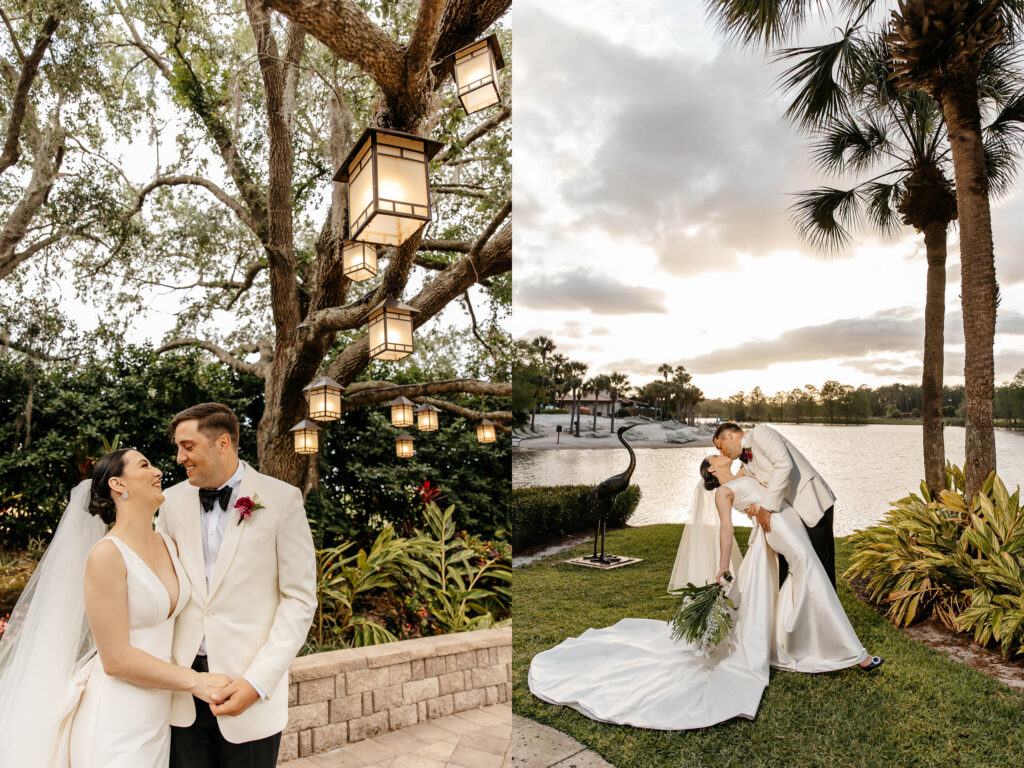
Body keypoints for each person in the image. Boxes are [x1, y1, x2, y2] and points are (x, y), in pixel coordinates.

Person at [527, 456, 883, 730]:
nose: (717, 455)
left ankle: (792, 635)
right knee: (811, 573)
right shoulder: (726, 492)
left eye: (716, 453)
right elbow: (726, 530)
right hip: (775, 530)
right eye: (713, 458)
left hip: (779, 524)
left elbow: (774, 475)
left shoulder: (746, 473)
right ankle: (852, 652)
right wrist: (723, 566)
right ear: (712, 473)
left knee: (804, 578)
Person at [0, 449, 231, 767]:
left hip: (161, 711)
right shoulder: (106, 555)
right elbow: (116, 659)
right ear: (118, 484)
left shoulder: (168, 544)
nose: (158, 470)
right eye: (145, 465)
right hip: (117, 715)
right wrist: (195, 681)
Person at [157, 402, 317, 768]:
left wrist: (257, 682)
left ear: (223, 443)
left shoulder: (282, 500)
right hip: (182, 693)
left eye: (188, 446)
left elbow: (299, 599)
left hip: (248, 693)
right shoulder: (169, 503)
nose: (180, 457)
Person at [713, 422, 838, 588]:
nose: (722, 453)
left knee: (823, 569)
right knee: (804, 571)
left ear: (730, 435)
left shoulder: (761, 433)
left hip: (811, 502)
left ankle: (831, 613)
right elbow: (764, 487)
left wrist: (767, 507)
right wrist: (757, 507)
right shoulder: (747, 465)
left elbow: (784, 465)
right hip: (790, 514)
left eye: (721, 447)